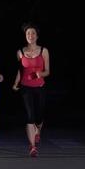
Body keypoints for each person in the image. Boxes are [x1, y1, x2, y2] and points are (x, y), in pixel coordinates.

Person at [12, 22, 50, 157]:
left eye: (33, 33)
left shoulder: (44, 50)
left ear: (37, 36)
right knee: (30, 116)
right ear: (25, 36)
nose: (30, 35)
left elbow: (48, 71)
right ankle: (33, 147)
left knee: (39, 117)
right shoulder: (20, 52)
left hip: (40, 87)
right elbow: (20, 70)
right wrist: (16, 82)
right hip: (25, 87)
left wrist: (40, 74)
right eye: (28, 33)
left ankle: (38, 130)